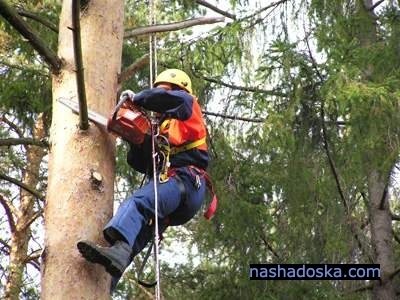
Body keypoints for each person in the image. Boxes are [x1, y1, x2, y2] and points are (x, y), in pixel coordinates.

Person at [77, 69, 210, 291]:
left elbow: (163, 99)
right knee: (132, 240)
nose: (160, 93)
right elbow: (140, 162)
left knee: (139, 203)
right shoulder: (161, 128)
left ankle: (118, 252)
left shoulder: (188, 106)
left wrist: (137, 99)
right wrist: (137, 139)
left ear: (178, 90)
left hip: (186, 181)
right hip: (176, 195)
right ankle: (106, 285)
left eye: (164, 90)